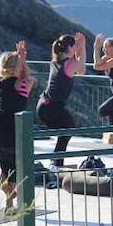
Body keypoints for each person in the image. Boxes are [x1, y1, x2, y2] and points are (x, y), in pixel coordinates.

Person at [0, 41, 33, 213]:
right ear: (17, 67)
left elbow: (15, 76)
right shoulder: (22, 85)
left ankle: (9, 204)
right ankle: (8, 194)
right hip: (11, 133)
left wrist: (18, 59)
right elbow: (29, 79)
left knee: (6, 166)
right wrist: (23, 61)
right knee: (13, 167)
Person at [36, 32, 86, 168]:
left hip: (42, 106)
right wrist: (83, 47)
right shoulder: (70, 63)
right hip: (54, 107)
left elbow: (75, 64)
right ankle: (56, 164)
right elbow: (82, 69)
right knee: (68, 130)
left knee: (63, 133)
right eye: (74, 46)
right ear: (70, 48)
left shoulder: (55, 61)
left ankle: (56, 162)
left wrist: (78, 49)